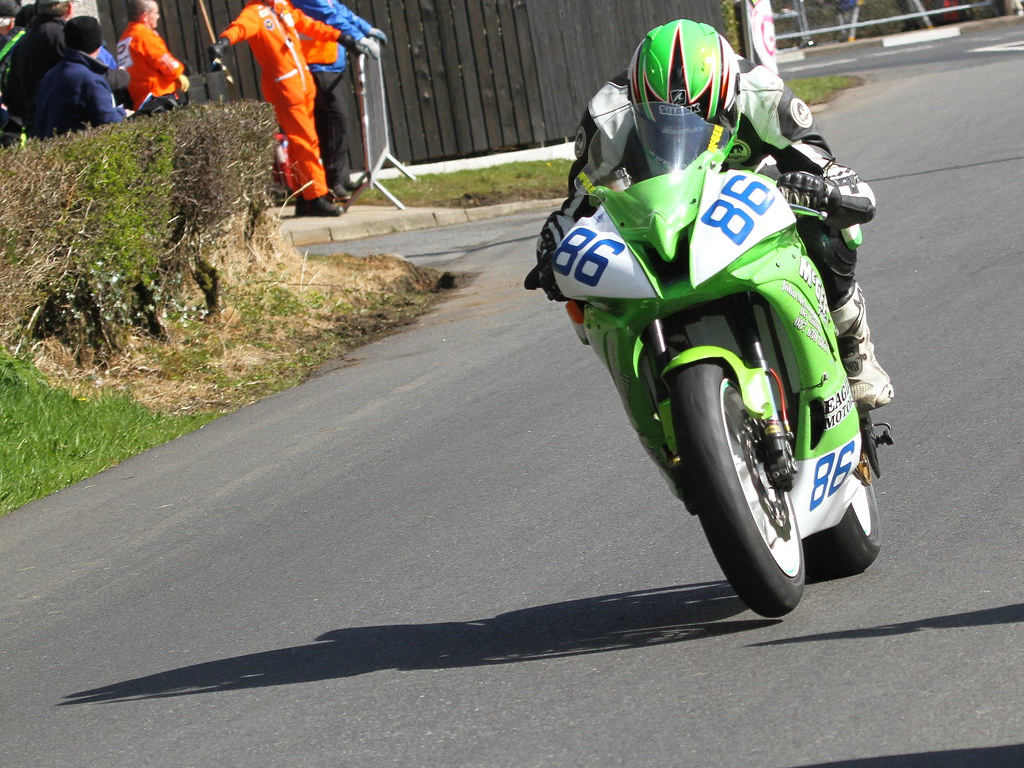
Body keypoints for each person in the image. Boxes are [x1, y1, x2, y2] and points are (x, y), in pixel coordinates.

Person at [525, 20, 893, 410]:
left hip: (752, 201)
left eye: (702, 117)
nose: (680, 130)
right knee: (584, 286)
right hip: (659, 211)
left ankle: (853, 343)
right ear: (636, 102)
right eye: (661, 120)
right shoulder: (608, 116)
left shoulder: (764, 93)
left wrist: (828, 191)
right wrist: (553, 244)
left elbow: (827, 169)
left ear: (728, 96)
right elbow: (581, 204)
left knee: (829, 223)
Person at [210, 0, 363, 217]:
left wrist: (340, 37)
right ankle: (316, 197)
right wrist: (224, 42)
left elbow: (308, 25)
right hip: (286, 87)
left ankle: (304, 196)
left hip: (302, 85)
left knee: (299, 144)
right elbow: (240, 28)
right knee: (305, 141)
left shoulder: (282, 7)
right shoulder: (255, 12)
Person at [290, 0, 385, 200]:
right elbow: (329, 16)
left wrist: (366, 29)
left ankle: (338, 177)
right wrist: (359, 37)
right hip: (317, 62)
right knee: (336, 120)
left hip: (329, 61)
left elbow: (338, 10)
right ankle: (334, 181)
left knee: (331, 123)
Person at [4, 0, 128, 138]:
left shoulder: (25, 40)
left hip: (36, 127)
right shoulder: (60, 36)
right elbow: (87, 77)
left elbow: (12, 90)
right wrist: (122, 75)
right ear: (69, 7)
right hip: (64, 130)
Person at [34, 15, 125, 138]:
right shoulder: (90, 79)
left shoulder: (51, 74)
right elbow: (108, 122)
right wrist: (123, 112)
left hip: (48, 150)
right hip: (76, 151)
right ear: (97, 44)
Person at [116, 0, 188, 110]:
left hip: (139, 101)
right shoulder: (144, 36)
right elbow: (169, 66)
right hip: (160, 99)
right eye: (155, 13)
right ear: (144, 16)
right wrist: (179, 72)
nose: (158, 16)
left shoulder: (124, 39)